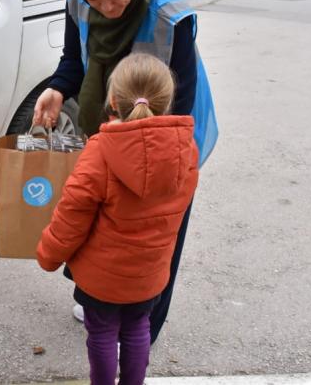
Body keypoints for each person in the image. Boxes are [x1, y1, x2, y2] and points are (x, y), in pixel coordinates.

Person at [31, 0, 217, 343]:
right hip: (108, 130)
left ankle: (144, 327)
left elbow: (181, 98)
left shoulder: (170, 12)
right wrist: (58, 89)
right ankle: (99, 298)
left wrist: (155, 157)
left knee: (154, 235)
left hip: (173, 131)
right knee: (102, 220)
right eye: (96, 0)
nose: (106, 8)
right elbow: (74, 59)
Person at [37, 53, 199, 385]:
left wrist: (48, 255)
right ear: (167, 102)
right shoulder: (186, 150)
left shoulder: (101, 152)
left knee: (101, 333)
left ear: (112, 100)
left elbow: (72, 215)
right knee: (139, 327)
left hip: (102, 279)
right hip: (149, 274)